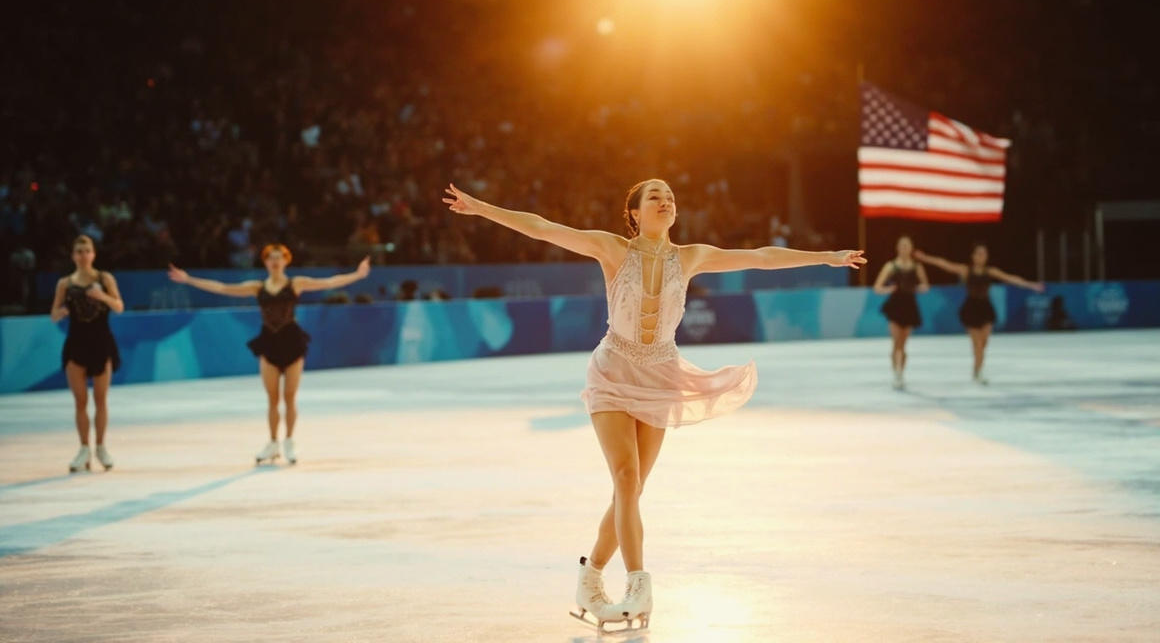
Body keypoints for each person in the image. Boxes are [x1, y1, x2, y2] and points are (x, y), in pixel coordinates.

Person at [442, 179, 866, 633]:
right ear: (635, 213)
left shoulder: (691, 257)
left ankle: (590, 576)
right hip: (613, 371)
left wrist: (827, 257)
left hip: (661, 377)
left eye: (670, 197)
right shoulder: (612, 249)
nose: (666, 201)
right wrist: (482, 208)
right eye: (654, 197)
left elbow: (760, 257)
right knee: (625, 478)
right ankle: (638, 584)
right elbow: (543, 228)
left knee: (633, 489)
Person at [168, 246, 370, 464]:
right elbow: (223, 288)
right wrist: (189, 279)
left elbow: (329, 282)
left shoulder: (296, 284)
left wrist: (357, 275)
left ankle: (289, 441)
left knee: (290, 397)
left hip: (292, 342)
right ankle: (273, 443)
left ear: (285, 261)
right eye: (271, 258)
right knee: (273, 399)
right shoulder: (257, 287)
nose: (275, 261)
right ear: (265, 263)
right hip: (269, 343)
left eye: (279, 258)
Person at [914, 243, 1044, 384]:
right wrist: (925, 258)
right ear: (973, 256)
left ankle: (977, 367)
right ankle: (979, 371)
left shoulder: (990, 271)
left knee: (984, 343)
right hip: (971, 309)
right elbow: (945, 264)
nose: (981, 256)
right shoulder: (966, 270)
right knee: (977, 343)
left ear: (986, 257)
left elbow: (1010, 278)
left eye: (983, 254)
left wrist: (1031, 285)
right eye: (978, 253)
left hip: (986, 309)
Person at [50, 235, 124, 473]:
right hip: (76, 344)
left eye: (87, 251)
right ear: (73, 256)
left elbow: (119, 306)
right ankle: (84, 449)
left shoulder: (104, 279)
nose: (83, 255)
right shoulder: (65, 283)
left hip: (101, 343)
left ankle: (101, 447)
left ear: (93, 254)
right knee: (80, 401)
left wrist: (103, 296)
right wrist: (60, 313)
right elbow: (53, 314)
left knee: (100, 400)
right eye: (79, 251)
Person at [872, 236, 930, 390]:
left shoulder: (916, 266)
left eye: (907, 246)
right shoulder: (890, 266)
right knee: (896, 343)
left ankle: (901, 373)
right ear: (898, 248)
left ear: (911, 248)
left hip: (909, 305)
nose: (904, 248)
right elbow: (877, 287)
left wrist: (919, 288)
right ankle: (896, 374)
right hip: (895, 305)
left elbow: (925, 285)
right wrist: (889, 289)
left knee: (903, 345)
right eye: (902, 246)